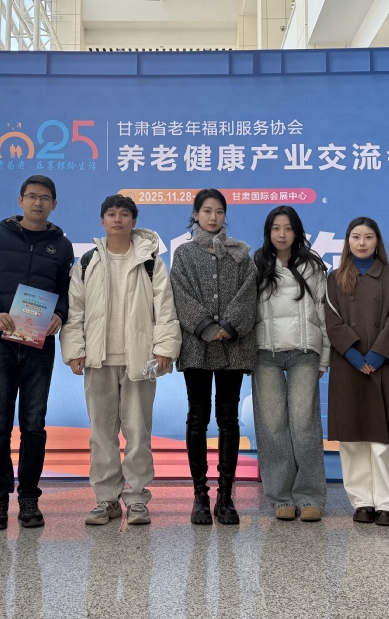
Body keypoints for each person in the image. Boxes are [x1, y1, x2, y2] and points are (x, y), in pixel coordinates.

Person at [61, 194, 181, 527]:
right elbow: (75, 310)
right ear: (102, 221)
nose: (118, 219)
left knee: (138, 432)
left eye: (124, 214)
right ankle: (106, 500)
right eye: (111, 214)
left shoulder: (151, 262)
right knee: (101, 434)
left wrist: (165, 348)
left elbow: (166, 309)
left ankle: (138, 498)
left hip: (140, 360)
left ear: (134, 221)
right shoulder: (87, 262)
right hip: (98, 360)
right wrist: (75, 349)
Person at [0, 175, 74, 531]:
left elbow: (67, 292)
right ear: (20, 200)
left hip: (38, 344)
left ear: (54, 204)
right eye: (31, 196)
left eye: (45, 198)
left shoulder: (62, 245)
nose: (37, 202)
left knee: (34, 425)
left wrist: (60, 315)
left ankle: (29, 499)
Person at [170, 189, 258, 525]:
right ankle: (199, 496)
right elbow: (180, 293)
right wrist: (207, 326)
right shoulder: (184, 254)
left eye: (219, 211)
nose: (213, 217)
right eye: (206, 211)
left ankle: (225, 496)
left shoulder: (241, 253)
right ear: (195, 214)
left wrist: (228, 326)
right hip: (197, 345)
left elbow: (249, 293)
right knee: (197, 418)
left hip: (233, 347)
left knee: (228, 419)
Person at [324, 217, 389, 527]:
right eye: (355, 237)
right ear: (347, 242)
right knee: (352, 439)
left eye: (368, 237)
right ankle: (362, 502)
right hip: (348, 365)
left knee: (383, 441)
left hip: (384, 364)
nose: (361, 243)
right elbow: (332, 321)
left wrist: (376, 355)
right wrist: (353, 354)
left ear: (378, 242)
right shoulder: (334, 278)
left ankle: (387, 504)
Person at [251, 206, 329, 522]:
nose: (281, 234)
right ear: (268, 232)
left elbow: (324, 312)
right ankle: (280, 497)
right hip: (265, 354)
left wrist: (325, 356)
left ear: (297, 232)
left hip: (304, 353)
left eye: (287, 228)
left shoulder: (313, 266)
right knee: (272, 426)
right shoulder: (257, 263)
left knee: (304, 423)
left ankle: (310, 497)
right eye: (276, 228)